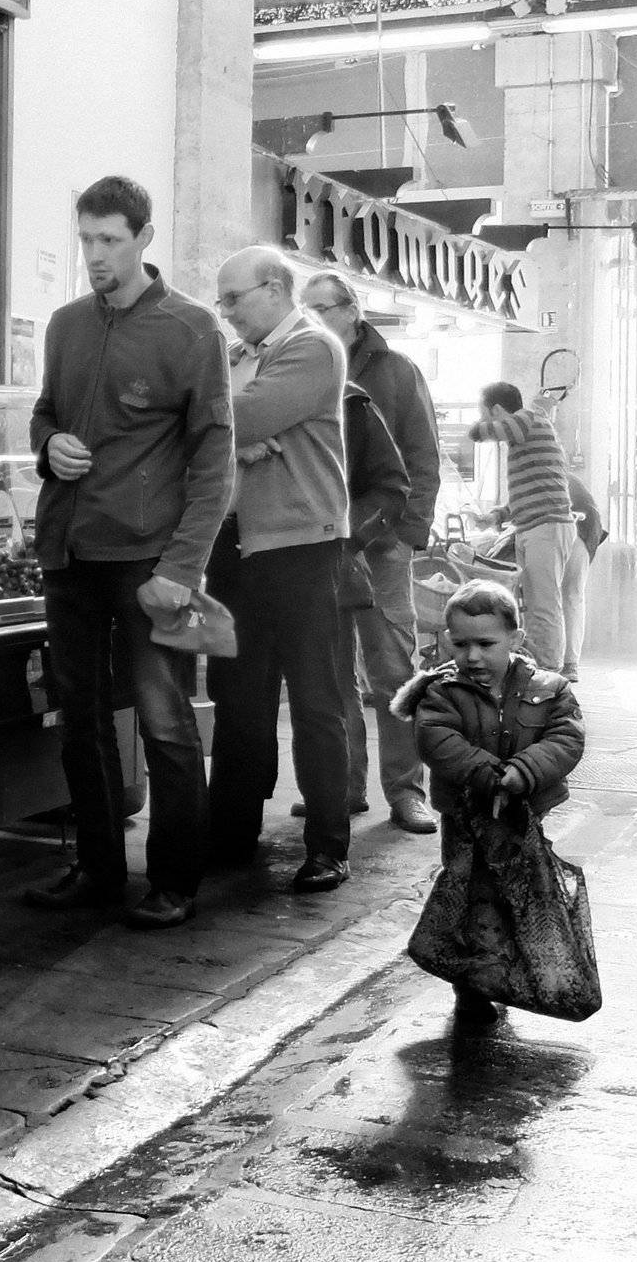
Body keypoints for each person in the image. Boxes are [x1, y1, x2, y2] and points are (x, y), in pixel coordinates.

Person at [24, 175, 233, 930]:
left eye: (109, 240)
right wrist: (49, 445)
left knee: (165, 723)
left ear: (144, 238)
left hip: (148, 561)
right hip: (70, 553)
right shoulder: (65, 325)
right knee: (78, 722)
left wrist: (181, 570)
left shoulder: (191, 329)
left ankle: (175, 879)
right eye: (85, 239)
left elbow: (216, 461)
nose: (95, 256)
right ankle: (97, 868)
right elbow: (43, 411)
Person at [207, 247, 353, 894]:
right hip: (237, 546)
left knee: (316, 701)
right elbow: (224, 428)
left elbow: (237, 418)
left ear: (272, 289)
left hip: (300, 546)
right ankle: (232, 835)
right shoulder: (240, 357)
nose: (226, 311)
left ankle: (327, 845)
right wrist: (237, 440)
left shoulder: (311, 347)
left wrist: (239, 432)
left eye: (233, 298)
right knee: (239, 702)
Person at [391, 578, 584, 1024]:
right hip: (464, 820)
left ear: (515, 638)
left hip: (523, 820)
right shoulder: (441, 692)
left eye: (486, 643)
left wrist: (523, 773)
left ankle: (507, 975)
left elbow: (566, 738)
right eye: (461, 644)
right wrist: (490, 776)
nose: (472, 656)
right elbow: (436, 740)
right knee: (468, 898)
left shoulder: (550, 689)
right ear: (446, 641)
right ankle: (471, 987)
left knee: (517, 898)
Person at [300, 274, 441, 833]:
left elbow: (422, 455)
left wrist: (408, 534)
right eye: (302, 310)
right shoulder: (299, 365)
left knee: (392, 671)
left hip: (381, 542)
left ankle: (406, 791)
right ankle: (343, 787)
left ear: (353, 311)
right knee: (331, 674)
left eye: (321, 309)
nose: (310, 319)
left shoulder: (396, 371)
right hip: (317, 542)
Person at [467, 381, 577, 674]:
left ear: (498, 410)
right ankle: (542, 668)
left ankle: (549, 673)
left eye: (484, 413)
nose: (484, 420)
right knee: (536, 605)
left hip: (546, 526)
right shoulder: (526, 434)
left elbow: (503, 429)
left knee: (543, 606)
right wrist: (497, 515)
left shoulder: (528, 419)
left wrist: (475, 431)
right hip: (537, 526)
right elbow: (529, 493)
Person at [561, 469, 608, 681]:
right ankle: (568, 663)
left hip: (575, 534)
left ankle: (563, 662)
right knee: (572, 597)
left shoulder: (544, 475)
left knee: (560, 597)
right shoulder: (567, 477)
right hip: (581, 536)